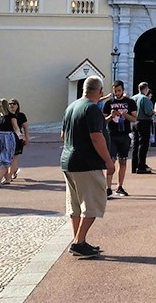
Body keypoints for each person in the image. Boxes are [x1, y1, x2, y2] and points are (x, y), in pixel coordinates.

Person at [61, 74, 114, 258]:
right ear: (100, 91)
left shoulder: (71, 107)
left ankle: (79, 240)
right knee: (93, 204)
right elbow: (96, 136)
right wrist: (108, 161)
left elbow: (62, 135)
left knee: (75, 206)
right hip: (86, 163)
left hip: (68, 161)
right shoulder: (92, 109)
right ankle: (78, 242)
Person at [102, 81, 136, 197]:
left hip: (125, 135)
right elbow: (103, 121)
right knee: (111, 161)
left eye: (119, 91)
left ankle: (120, 186)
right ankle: (108, 187)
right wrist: (111, 116)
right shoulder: (109, 103)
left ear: (123, 90)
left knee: (123, 161)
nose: (116, 93)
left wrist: (124, 114)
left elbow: (134, 119)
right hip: (112, 135)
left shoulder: (130, 102)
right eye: (115, 91)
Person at [131, 82, 154, 174]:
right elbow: (148, 112)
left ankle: (134, 165)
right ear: (146, 89)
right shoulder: (145, 99)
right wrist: (153, 112)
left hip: (134, 121)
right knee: (143, 144)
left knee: (135, 144)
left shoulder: (133, 98)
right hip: (144, 121)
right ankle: (141, 166)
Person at [8, 99, 29, 180]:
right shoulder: (7, 115)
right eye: (10, 104)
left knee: (14, 156)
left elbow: (25, 127)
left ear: (17, 106)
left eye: (14, 104)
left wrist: (27, 137)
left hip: (17, 138)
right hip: (7, 137)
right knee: (8, 157)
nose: (12, 105)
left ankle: (9, 176)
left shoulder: (21, 115)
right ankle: (14, 169)